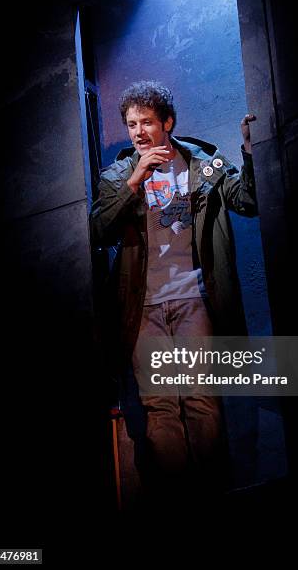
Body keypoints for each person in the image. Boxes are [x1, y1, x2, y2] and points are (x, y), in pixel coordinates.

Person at [90, 80, 258, 502]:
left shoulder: (204, 164)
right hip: (143, 307)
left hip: (194, 300)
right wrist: (135, 180)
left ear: (167, 122)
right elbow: (97, 230)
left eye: (147, 121)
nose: (138, 132)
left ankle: (212, 495)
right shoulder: (117, 175)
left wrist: (252, 152)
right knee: (160, 408)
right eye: (131, 124)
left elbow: (248, 200)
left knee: (202, 401)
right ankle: (179, 503)